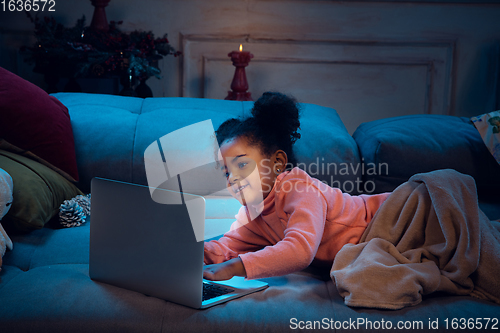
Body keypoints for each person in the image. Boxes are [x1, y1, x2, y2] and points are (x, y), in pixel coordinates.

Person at [203, 92, 391, 281]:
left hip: (389, 216)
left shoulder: (299, 189)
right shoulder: (251, 213)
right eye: (227, 172)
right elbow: (226, 247)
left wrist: (235, 267)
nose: (233, 178)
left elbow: (299, 250)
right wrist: (190, 252)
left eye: (242, 165)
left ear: (278, 163)